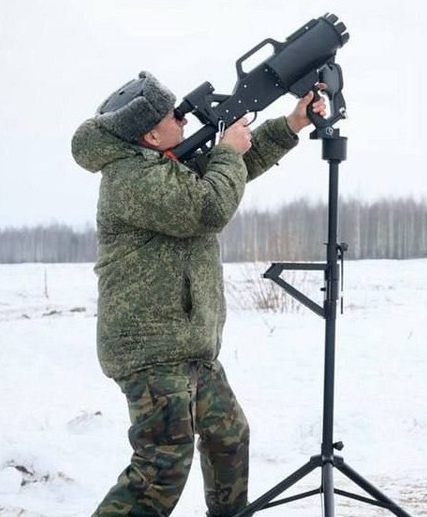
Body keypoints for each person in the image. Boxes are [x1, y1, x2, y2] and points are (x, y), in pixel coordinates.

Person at [71, 70, 326, 517]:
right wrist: (227, 151)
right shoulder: (132, 177)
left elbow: (233, 169)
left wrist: (291, 124)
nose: (184, 121)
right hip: (152, 348)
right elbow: (208, 207)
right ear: (151, 133)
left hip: (187, 344)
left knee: (229, 437)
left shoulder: (162, 163)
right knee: (162, 466)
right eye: (174, 117)